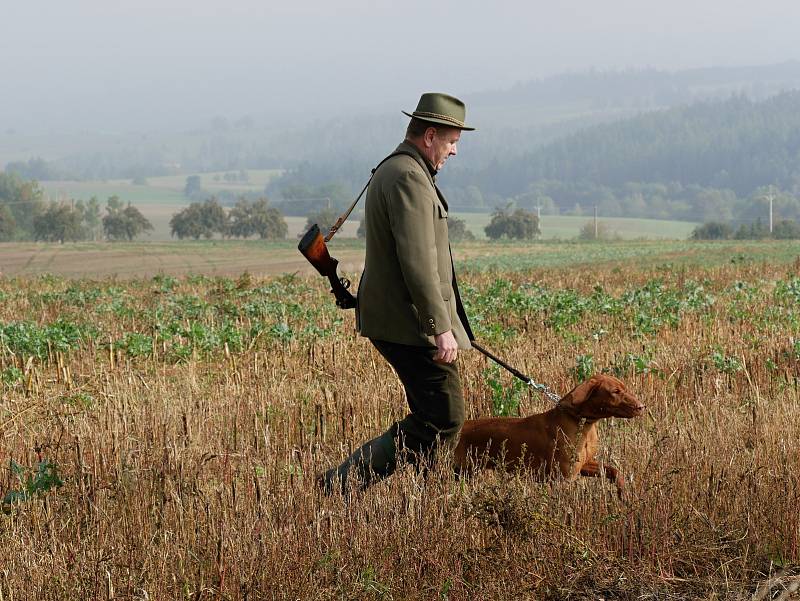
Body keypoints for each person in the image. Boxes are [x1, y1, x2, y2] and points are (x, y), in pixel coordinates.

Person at [318, 92, 476, 495]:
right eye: (452, 141)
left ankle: (426, 497)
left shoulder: (405, 170)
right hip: (409, 323)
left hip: (404, 319)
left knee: (436, 414)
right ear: (429, 136)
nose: (454, 151)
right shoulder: (408, 176)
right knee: (443, 416)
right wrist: (440, 327)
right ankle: (341, 484)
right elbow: (417, 259)